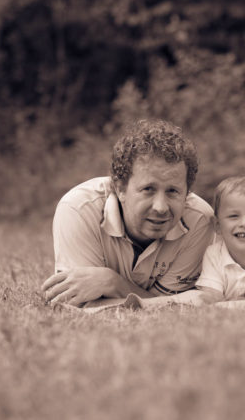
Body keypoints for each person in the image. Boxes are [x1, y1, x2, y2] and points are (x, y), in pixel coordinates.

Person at [41, 119, 214, 306]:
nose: (161, 207)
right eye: (148, 189)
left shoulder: (200, 220)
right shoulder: (78, 209)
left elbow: (163, 308)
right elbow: (80, 302)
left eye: (173, 191)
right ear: (120, 188)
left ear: (187, 193)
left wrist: (112, 282)